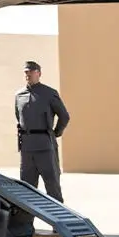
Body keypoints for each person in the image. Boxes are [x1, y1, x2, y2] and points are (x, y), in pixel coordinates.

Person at [15, 60, 70, 202]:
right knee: (26, 188)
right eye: (26, 72)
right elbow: (19, 118)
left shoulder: (49, 93)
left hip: (45, 146)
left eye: (31, 72)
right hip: (27, 148)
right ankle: (27, 217)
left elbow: (64, 116)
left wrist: (55, 133)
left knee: (52, 186)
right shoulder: (19, 95)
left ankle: (57, 216)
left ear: (39, 73)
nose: (28, 74)